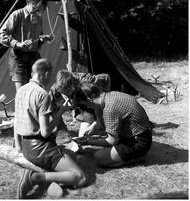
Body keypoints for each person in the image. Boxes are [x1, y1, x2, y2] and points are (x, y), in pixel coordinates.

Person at [14, 58, 87, 199]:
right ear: (46, 74)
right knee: (81, 178)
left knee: (72, 155)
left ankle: (53, 178)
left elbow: (16, 120)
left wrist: (18, 145)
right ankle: (34, 178)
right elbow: (45, 132)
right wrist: (61, 112)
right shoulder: (42, 94)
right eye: (50, 74)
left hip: (26, 146)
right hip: (41, 148)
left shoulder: (21, 90)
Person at [73, 81, 153, 168]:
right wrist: (93, 128)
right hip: (139, 135)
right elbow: (103, 120)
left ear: (89, 99)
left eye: (84, 105)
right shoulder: (110, 95)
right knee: (99, 147)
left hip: (138, 142)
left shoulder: (109, 108)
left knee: (99, 157)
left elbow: (111, 141)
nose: (87, 108)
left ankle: (136, 158)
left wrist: (88, 142)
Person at [0, 0, 53, 91]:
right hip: (18, 56)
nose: (37, 10)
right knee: (21, 91)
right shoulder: (17, 14)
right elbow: (1, 35)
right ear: (28, 3)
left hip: (34, 56)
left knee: (36, 89)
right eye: (35, 7)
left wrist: (43, 39)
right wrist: (18, 44)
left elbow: (38, 37)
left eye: (40, 8)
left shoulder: (39, 18)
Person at [49, 70, 111, 135]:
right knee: (82, 135)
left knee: (84, 134)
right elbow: (50, 111)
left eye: (68, 92)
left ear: (73, 85)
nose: (67, 96)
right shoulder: (54, 91)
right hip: (80, 108)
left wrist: (103, 102)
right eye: (64, 94)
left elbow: (106, 78)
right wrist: (61, 130)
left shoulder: (85, 80)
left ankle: (99, 124)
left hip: (88, 106)